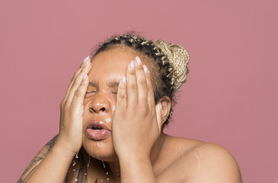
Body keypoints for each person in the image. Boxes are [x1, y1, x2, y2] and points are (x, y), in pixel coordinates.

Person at [18, 34, 242, 183]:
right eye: (89, 90)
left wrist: (134, 155)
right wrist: (64, 145)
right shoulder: (68, 152)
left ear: (161, 109)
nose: (98, 104)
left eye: (120, 92)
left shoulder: (209, 164)